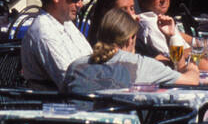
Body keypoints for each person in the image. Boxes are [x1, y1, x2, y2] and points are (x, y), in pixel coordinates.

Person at [69, 7, 200, 89]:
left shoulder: (76, 67)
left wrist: (170, 37)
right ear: (131, 38)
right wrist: (192, 68)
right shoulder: (142, 66)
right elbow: (191, 81)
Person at [20, 0, 92, 88]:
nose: (80, 5)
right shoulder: (44, 31)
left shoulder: (65, 22)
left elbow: (90, 57)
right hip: (57, 103)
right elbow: (70, 81)